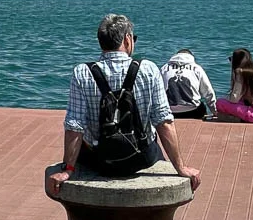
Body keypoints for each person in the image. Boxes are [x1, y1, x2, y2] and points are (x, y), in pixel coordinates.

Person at [47, 13, 199, 197]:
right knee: (153, 143)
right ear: (127, 39)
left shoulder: (82, 73)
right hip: (141, 158)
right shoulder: (148, 69)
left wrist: (68, 169)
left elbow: (74, 126)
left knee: (86, 144)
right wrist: (180, 167)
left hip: (99, 159)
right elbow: (163, 122)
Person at [161, 49, 217, 120]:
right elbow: (208, 92)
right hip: (192, 110)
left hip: (170, 111)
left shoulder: (164, 68)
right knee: (202, 105)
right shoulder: (197, 68)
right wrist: (214, 111)